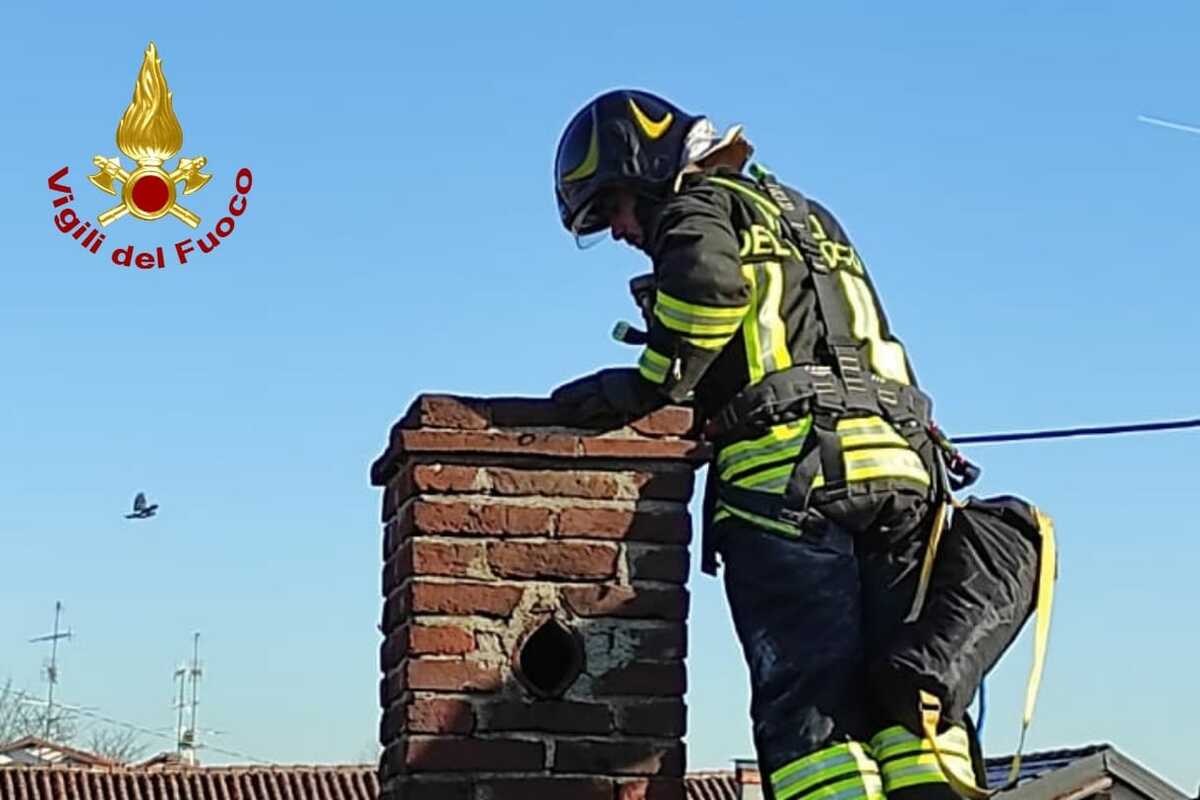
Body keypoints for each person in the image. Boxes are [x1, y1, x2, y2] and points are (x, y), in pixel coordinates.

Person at [549, 89, 1053, 800]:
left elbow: (709, 292)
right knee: (909, 701)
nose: (622, 230)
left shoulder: (696, 205)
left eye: (615, 207)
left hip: (787, 487)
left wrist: (646, 385)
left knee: (813, 719)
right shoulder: (807, 215)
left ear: (649, 168)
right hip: (902, 480)